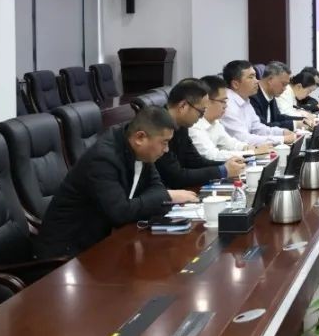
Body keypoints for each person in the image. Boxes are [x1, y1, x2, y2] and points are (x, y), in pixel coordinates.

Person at [36, 107, 198, 258]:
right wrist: (167, 195)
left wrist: (159, 195)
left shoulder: (139, 150)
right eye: (164, 142)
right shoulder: (103, 159)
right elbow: (120, 212)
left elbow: (155, 186)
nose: (166, 149)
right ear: (140, 137)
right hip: (69, 252)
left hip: (102, 241)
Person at [159, 78, 246, 188]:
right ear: (183, 106)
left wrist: (227, 165)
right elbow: (175, 177)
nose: (201, 117)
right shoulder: (158, 127)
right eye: (201, 112)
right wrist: (222, 170)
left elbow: (195, 161)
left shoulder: (181, 124)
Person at [189, 75, 272, 162]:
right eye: (222, 101)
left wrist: (248, 148)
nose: (226, 106)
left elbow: (229, 143)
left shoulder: (215, 122)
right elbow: (212, 155)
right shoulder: (194, 125)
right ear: (207, 101)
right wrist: (252, 153)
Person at [221, 60, 296, 146]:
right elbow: (244, 139)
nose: (257, 81)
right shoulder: (227, 105)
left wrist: (282, 132)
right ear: (235, 84)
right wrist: (282, 139)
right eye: (251, 77)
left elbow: (258, 128)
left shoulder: (245, 100)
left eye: (255, 76)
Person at [251, 61, 309, 130]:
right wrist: (295, 124)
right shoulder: (252, 97)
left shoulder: (271, 94)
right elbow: (262, 128)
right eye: (283, 84)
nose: (285, 89)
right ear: (270, 80)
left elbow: (278, 117)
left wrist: (302, 120)